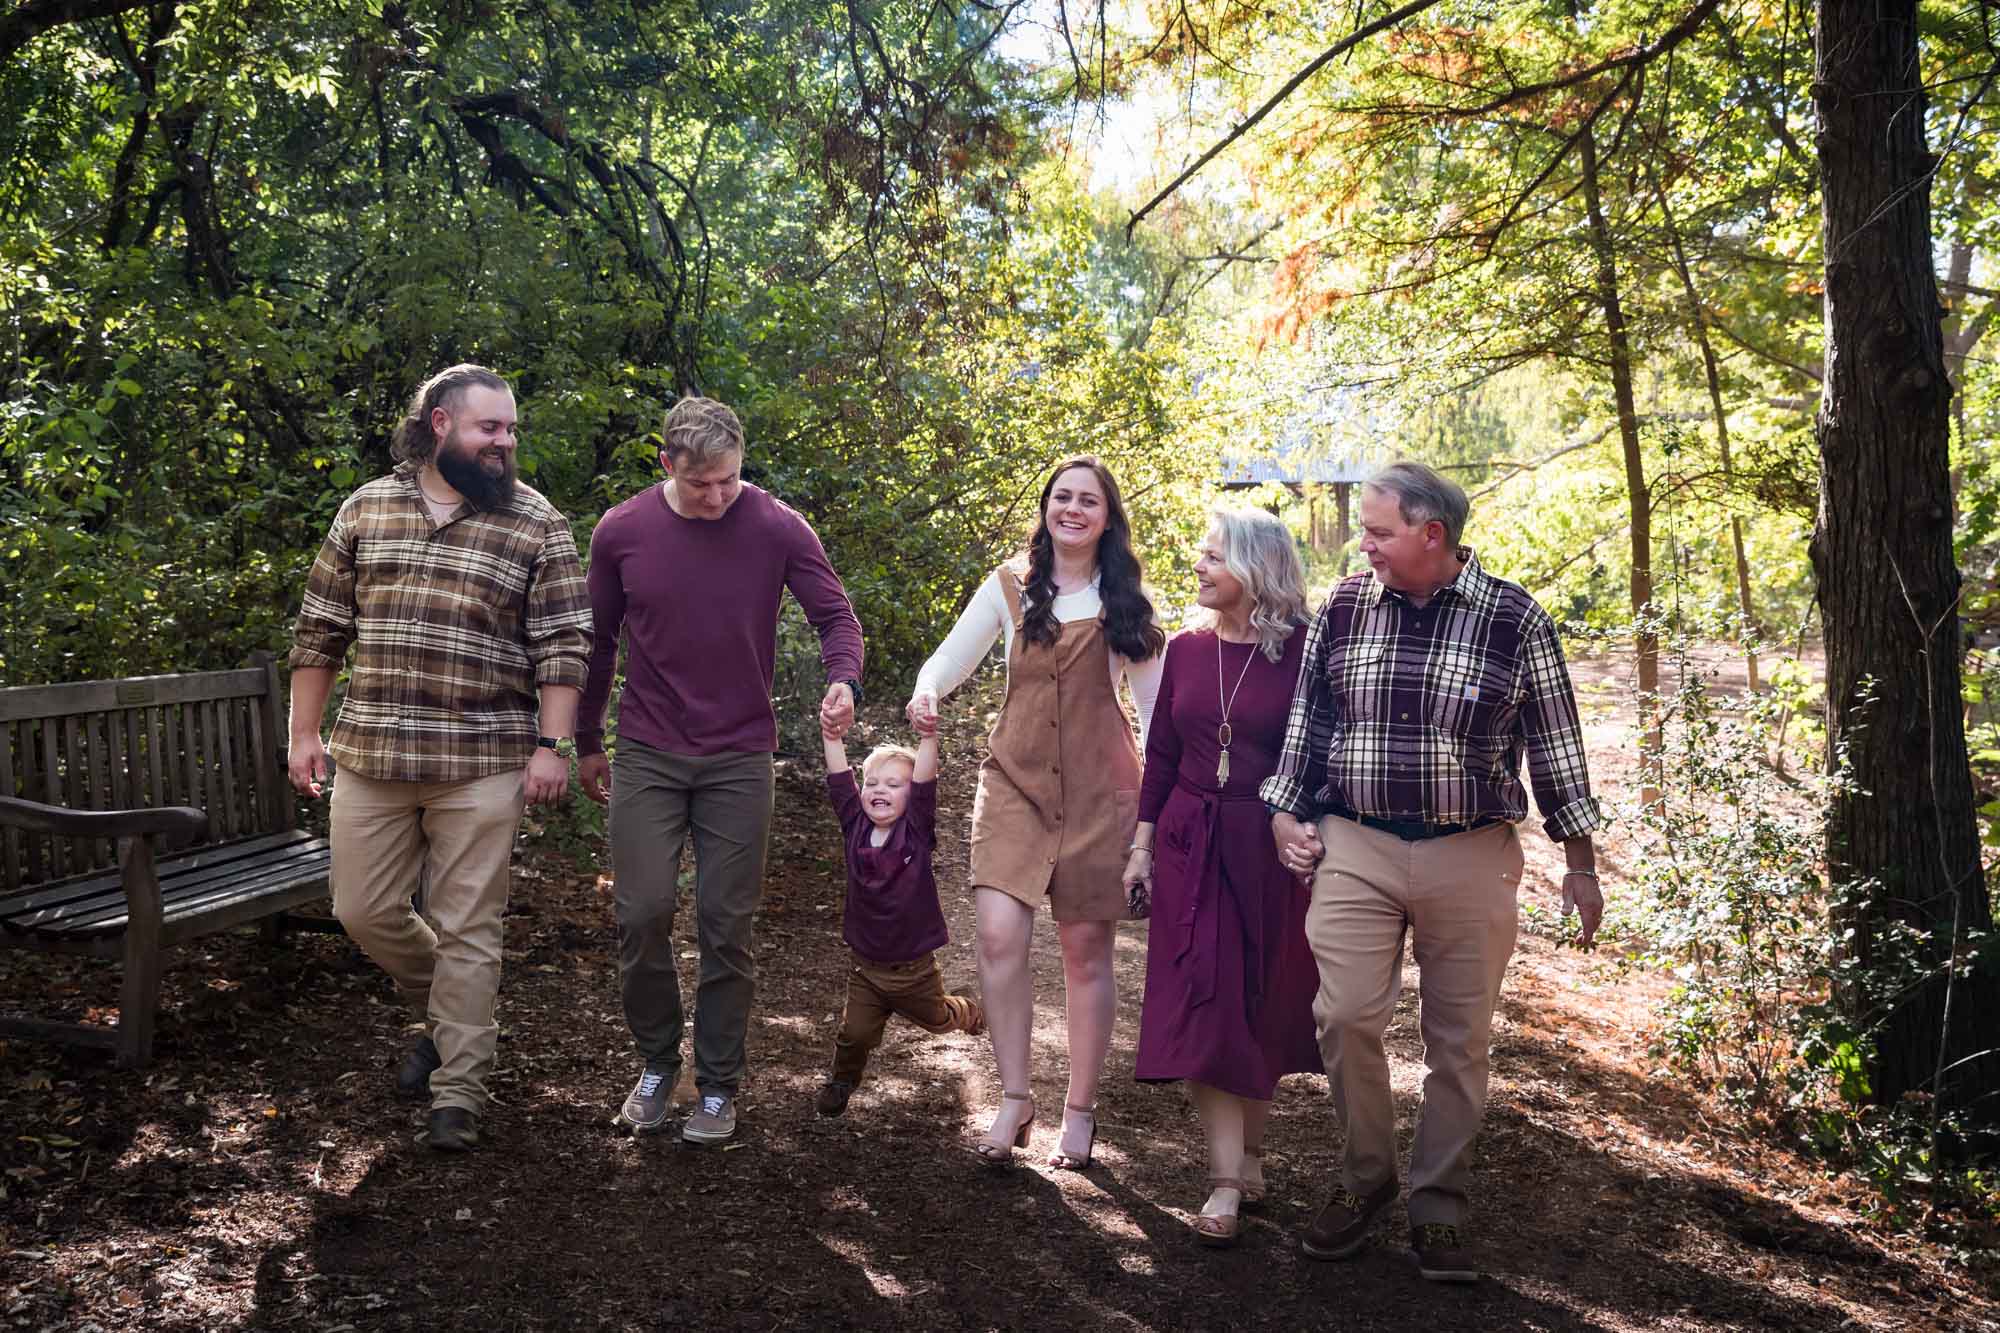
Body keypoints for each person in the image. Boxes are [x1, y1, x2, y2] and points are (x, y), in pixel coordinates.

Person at [1261, 460, 1606, 1282]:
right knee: (1343, 1013)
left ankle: (1439, 1202)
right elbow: (1310, 720)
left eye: (1378, 531)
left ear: (1431, 533)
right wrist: (1284, 810)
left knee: (1459, 1041)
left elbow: (1558, 748)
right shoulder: (1346, 606)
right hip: (1357, 842)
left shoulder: (1514, 618)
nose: (1364, 545)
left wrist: (1581, 866)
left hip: (1471, 852)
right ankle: (1366, 1175)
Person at [288, 363, 593, 1153]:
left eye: (511, 430)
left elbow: (564, 644)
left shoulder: (535, 522)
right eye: (491, 427)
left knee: (469, 927)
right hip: (373, 754)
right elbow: (320, 628)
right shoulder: (366, 507)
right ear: (439, 425)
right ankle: (455, 1012)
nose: (506, 443)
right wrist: (303, 733)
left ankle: (459, 1087)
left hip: (483, 760)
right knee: (362, 910)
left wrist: (551, 745)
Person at [579, 395, 863, 1145]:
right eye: (701, 482)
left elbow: (837, 617)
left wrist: (845, 679)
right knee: (641, 913)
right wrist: (585, 738)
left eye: (729, 481)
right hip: (648, 749)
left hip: (739, 755)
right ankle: (654, 1061)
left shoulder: (774, 524)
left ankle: (718, 1083)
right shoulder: (622, 531)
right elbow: (599, 642)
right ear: (667, 463)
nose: (716, 496)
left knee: (725, 922)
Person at [908, 456, 1165, 1169]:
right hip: (1013, 785)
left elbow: (1157, 718)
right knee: (996, 935)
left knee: (1086, 953)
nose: (1072, 509)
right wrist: (927, 691)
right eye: (1061, 497)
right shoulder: (1010, 585)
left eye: (1088, 500)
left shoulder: (1128, 604)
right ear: (1046, 507)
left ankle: (1079, 1109)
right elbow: (947, 661)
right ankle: (1015, 1096)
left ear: (1108, 516)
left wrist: (1157, 819)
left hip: (1097, 796)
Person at [1126, 508, 1322, 1246]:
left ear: (1256, 568)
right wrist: (1141, 846)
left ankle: (1254, 1151)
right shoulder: (1184, 648)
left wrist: (1304, 823)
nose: (1199, 567)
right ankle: (1226, 1179)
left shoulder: (1303, 652)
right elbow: (1164, 756)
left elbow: (1319, 753)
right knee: (1207, 1004)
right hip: (1189, 838)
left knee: (1260, 1000)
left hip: (1268, 842)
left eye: (1213, 557)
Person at [814, 716, 984, 1118]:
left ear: (910, 797)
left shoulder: (916, 832)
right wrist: (831, 737)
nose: (880, 791)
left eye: (894, 785)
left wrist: (929, 737)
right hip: (866, 970)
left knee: (939, 1019)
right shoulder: (854, 825)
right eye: (873, 783)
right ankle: (842, 1081)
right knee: (854, 1034)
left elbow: (926, 785)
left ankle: (969, 1010)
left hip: (914, 971)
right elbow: (840, 781)